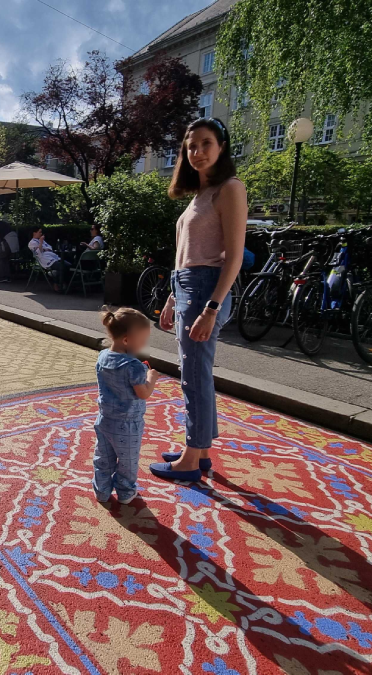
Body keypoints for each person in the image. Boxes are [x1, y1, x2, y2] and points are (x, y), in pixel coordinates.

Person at [149, 117, 247, 484]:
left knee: (194, 377)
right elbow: (185, 254)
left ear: (221, 147)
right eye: (191, 146)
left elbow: (233, 257)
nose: (197, 152)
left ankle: (190, 459)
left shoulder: (230, 188)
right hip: (189, 286)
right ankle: (201, 449)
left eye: (206, 143)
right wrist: (174, 298)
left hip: (207, 288)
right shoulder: (199, 195)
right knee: (197, 373)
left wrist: (211, 307)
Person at [94, 307, 161, 504]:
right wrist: (152, 377)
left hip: (105, 419)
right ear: (126, 340)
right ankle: (125, 492)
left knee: (103, 457)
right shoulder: (133, 366)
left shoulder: (103, 356)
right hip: (127, 424)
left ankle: (102, 491)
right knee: (127, 461)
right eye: (142, 342)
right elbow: (144, 393)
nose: (143, 346)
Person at [28, 226, 71, 292]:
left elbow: (50, 248)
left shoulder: (42, 241)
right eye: (39, 232)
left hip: (53, 256)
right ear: (34, 233)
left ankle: (59, 278)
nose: (41, 234)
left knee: (68, 265)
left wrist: (43, 245)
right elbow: (38, 253)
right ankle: (56, 283)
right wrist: (41, 243)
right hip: (46, 259)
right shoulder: (32, 243)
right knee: (61, 266)